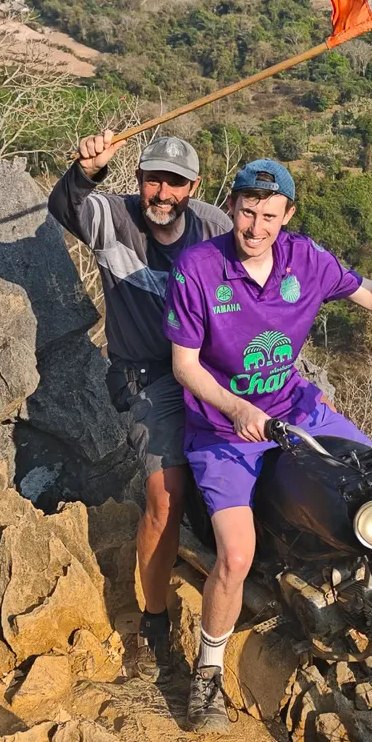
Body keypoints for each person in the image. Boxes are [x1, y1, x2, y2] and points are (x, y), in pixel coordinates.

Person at [167, 158, 372, 731]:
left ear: (287, 215)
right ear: (232, 207)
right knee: (236, 556)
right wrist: (237, 409)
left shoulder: (306, 260)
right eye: (246, 212)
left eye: (268, 215)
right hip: (223, 431)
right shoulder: (199, 268)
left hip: (296, 411)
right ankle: (207, 673)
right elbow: (184, 365)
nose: (255, 226)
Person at [48, 127, 231, 677]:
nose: (162, 193)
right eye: (154, 180)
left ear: (194, 187)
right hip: (147, 375)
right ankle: (155, 620)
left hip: (210, 368)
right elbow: (66, 203)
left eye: (175, 183)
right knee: (165, 494)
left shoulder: (214, 228)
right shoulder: (115, 216)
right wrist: (89, 168)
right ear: (140, 179)